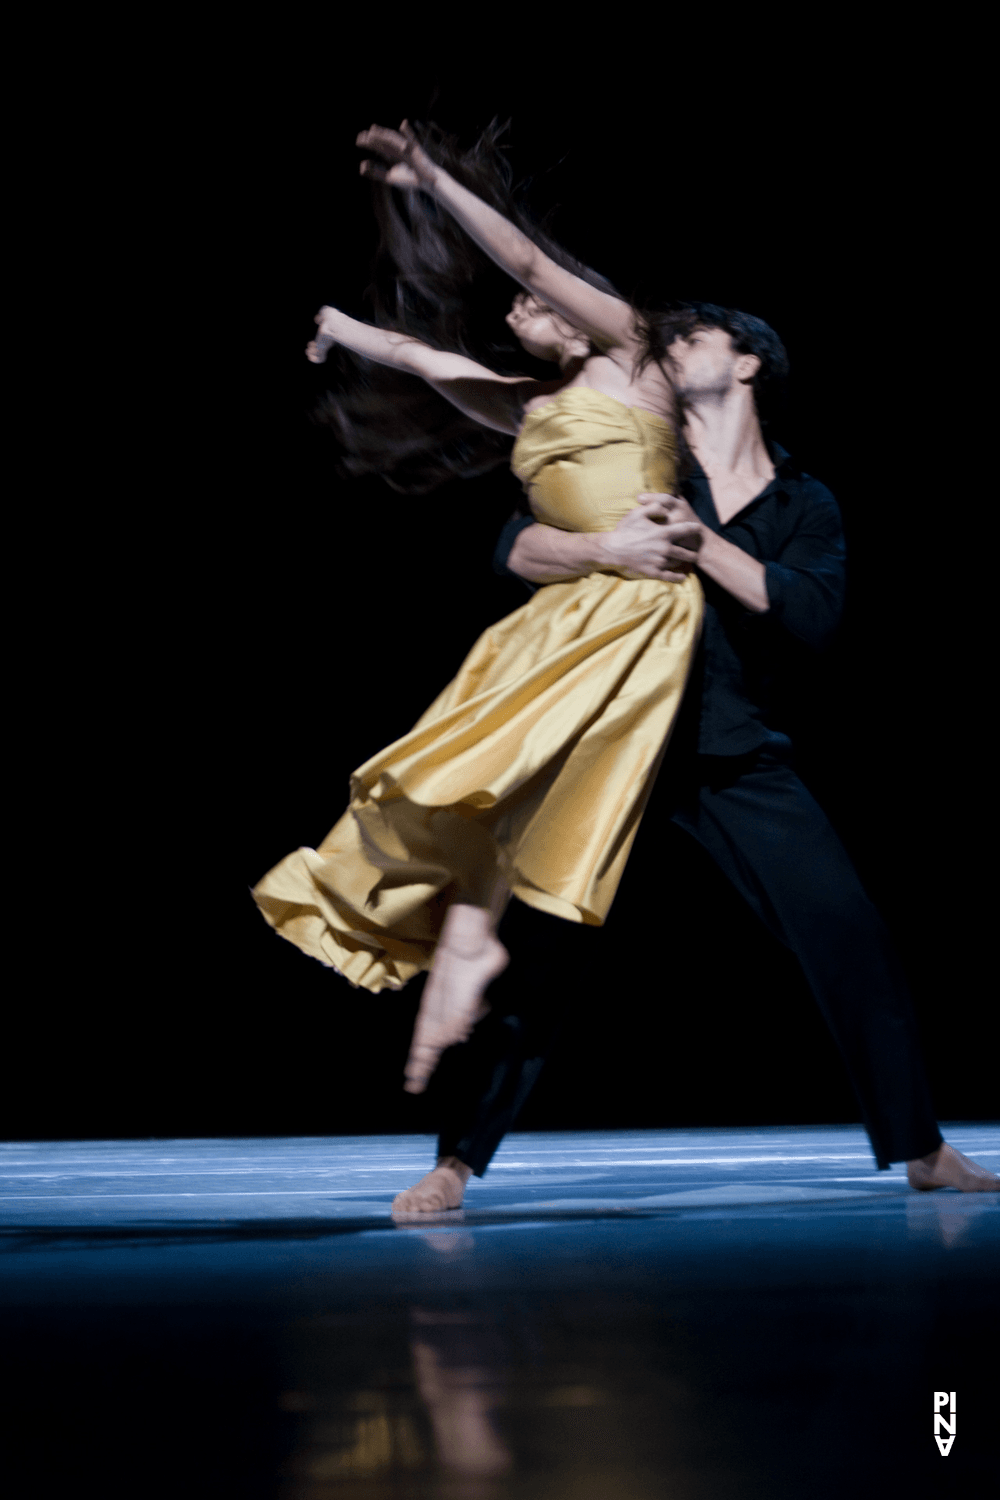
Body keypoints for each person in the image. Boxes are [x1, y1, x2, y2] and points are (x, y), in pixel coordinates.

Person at [389, 303, 999, 1211]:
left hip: (732, 751)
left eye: (694, 336)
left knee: (850, 935)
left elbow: (811, 615)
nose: (668, 346)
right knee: (537, 954)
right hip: (610, 746)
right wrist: (601, 545)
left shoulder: (804, 500)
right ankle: (454, 1163)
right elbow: (514, 544)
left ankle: (920, 1147)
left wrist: (698, 539)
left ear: (748, 364)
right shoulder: (641, 448)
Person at [252, 122, 703, 1102]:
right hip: (558, 615)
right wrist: (340, 327)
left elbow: (529, 253)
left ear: (584, 316)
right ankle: (465, 942)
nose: (522, 301)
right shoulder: (527, 405)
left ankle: (466, 949)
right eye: (519, 304)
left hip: (634, 608)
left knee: (522, 777)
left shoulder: (634, 359)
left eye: (538, 302)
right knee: (464, 777)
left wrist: (429, 181)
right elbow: (422, 362)